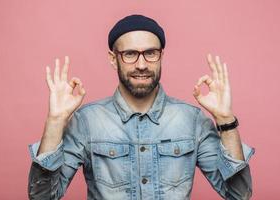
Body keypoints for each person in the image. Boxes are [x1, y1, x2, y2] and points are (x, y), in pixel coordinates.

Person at [28, 14, 255, 200]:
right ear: (112, 58)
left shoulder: (192, 119)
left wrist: (226, 119)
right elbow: (42, 197)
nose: (142, 64)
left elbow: (239, 195)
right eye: (129, 54)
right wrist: (55, 122)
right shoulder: (87, 121)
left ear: (161, 56)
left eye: (150, 53)